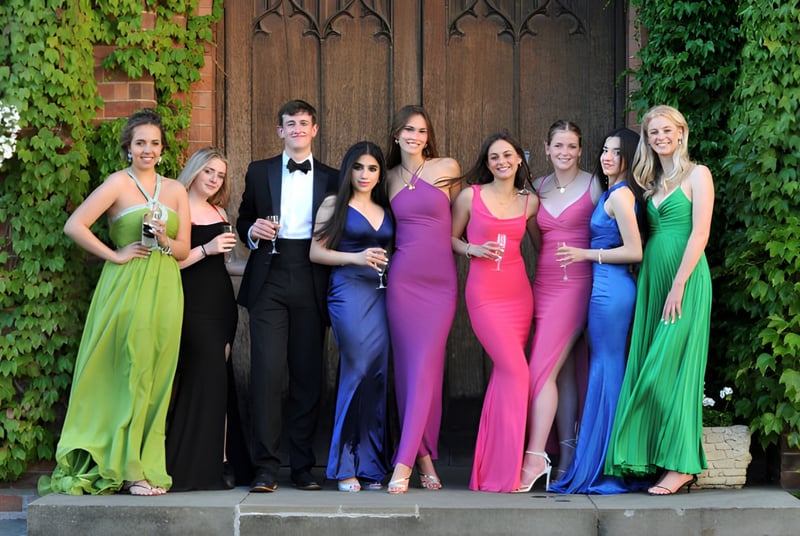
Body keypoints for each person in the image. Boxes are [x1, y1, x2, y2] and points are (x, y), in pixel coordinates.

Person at [39, 109, 190, 496]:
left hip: (166, 286)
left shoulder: (176, 190)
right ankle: (128, 470)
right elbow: (74, 225)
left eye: (154, 143)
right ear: (128, 147)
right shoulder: (117, 183)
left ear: (162, 149)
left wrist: (165, 239)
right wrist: (115, 254)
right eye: (140, 143)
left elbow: (184, 249)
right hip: (127, 284)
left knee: (158, 375)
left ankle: (148, 464)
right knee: (132, 370)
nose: (147, 150)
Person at [605, 105, 714, 496]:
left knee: (669, 371)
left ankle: (681, 466)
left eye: (667, 130)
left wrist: (679, 284)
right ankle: (651, 458)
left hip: (685, 281)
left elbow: (700, 233)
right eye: (653, 132)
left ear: (681, 132)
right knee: (648, 368)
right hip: (654, 281)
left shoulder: (698, 174)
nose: (660, 137)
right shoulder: (650, 182)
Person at [237, 99, 339, 493]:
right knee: (266, 373)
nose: (297, 129)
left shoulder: (332, 177)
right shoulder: (258, 171)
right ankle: (265, 467)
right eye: (290, 123)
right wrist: (252, 232)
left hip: (312, 276)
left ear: (315, 130)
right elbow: (244, 218)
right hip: (270, 276)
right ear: (280, 130)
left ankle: (302, 466)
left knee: (308, 376)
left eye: (303, 123)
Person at [548, 128, 645, 494]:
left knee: (607, 367)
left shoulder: (620, 195)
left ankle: (608, 465)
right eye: (605, 149)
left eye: (616, 152)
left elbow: (634, 250)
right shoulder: (612, 191)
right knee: (604, 367)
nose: (607, 157)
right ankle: (608, 459)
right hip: (605, 287)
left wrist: (584, 254)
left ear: (629, 157)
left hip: (612, 290)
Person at [450, 132, 540, 492]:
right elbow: (449, 238)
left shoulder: (530, 202)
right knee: (517, 372)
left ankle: (494, 471)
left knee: (506, 377)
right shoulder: (470, 196)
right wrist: (471, 249)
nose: (501, 161)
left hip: (519, 295)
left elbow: (543, 245)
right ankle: (504, 469)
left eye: (507, 155)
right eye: (493, 157)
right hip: (485, 296)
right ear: (487, 164)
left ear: (519, 159)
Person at [517, 120, 602, 492]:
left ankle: (536, 457)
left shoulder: (595, 185)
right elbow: (538, 242)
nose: (564, 152)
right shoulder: (537, 187)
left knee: (540, 371)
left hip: (577, 286)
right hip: (544, 286)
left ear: (580, 150)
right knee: (562, 373)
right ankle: (567, 457)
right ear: (546, 148)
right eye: (558, 146)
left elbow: (607, 231)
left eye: (571, 146)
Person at [384, 105, 461, 494]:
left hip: (440, 282)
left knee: (427, 366)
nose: (415, 136)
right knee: (408, 372)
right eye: (408, 130)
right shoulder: (385, 178)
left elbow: (461, 223)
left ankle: (403, 460)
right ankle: (424, 458)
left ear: (428, 137)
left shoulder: (447, 168)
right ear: (396, 134)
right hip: (402, 282)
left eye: (421, 131)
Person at [310, 141, 394, 492]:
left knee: (377, 375)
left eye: (372, 168)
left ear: (380, 173)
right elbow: (316, 252)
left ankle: (371, 465)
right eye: (358, 167)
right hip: (347, 292)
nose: (365, 174)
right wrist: (357, 258)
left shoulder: (385, 207)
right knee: (356, 369)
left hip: (381, 295)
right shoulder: (334, 203)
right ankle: (345, 465)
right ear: (348, 170)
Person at [164, 147, 238, 491]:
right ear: (194, 170)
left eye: (220, 175)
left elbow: (228, 264)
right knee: (201, 378)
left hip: (221, 304)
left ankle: (220, 460)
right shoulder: (176, 209)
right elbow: (170, 263)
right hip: (190, 303)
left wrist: (267, 263)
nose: (214, 179)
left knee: (218, 381)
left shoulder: (219, 211)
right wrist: (206, 249)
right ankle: (187, 463)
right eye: (209, 171)